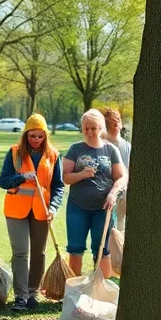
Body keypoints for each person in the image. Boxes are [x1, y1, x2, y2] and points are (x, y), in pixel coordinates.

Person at [0, 114, 64, 311]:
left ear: (45, 136)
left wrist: (53, 208)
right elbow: (3, 181)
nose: (36, 140)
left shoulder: (53, 155)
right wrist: (21, 177)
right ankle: (20, 296)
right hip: (16, 210)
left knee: (39, 253)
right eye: (32, 136)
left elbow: (58, 186)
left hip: (41, 211)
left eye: (40, 136)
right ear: (26, 134)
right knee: (20, 253)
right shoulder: (14, 153)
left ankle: (33, 292)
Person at [62, 109, 126, 277]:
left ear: (101, 128)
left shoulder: (111, 150)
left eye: (94, 128)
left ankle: (100, 288)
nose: (90, 132)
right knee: (75, 248)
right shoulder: (75, 149)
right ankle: (74, 289)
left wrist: (113, 194)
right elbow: (65, 177)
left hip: (103, 209)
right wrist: (82, 174)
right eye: (86, 128)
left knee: (103, 249)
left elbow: (121, 177)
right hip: (77, 207)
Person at [102, 107, 131, 232]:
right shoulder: (102, 144)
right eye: (110, 125)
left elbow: (128, 167)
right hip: (106, 190)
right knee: (107, 226)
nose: (114, 127)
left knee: (120, 227)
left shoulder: (126, 145)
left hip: (123, 191)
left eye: (116, 123)